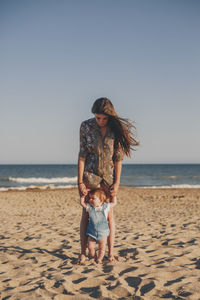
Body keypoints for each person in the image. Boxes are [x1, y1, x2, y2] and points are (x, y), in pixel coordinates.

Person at [78, 97, 138, 264]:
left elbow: (118, 158)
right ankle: (83, 254)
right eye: (98, 118)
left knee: (109, 215)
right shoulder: (86, 127)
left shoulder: (115, 128)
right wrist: (80, 182)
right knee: (86, 214)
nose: (101, 121)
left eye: (104, 118)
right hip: (89, 177)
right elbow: (82, 155)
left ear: (110, 116)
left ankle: (110, 254)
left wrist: (117, 183)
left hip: (108, 180)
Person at [80, 188, 117, 264]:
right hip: (91, 232)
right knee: (90, 247)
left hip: (103, 233)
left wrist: (113, 196)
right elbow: (82, 203)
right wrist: (83, 196)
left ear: (101, 200)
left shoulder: (106, 207)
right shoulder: (90, 208)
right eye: (90, 198)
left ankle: (100, 259)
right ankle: (94, 257)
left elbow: (114, 203)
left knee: (102, 248)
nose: (90, 200)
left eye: (93, 198)